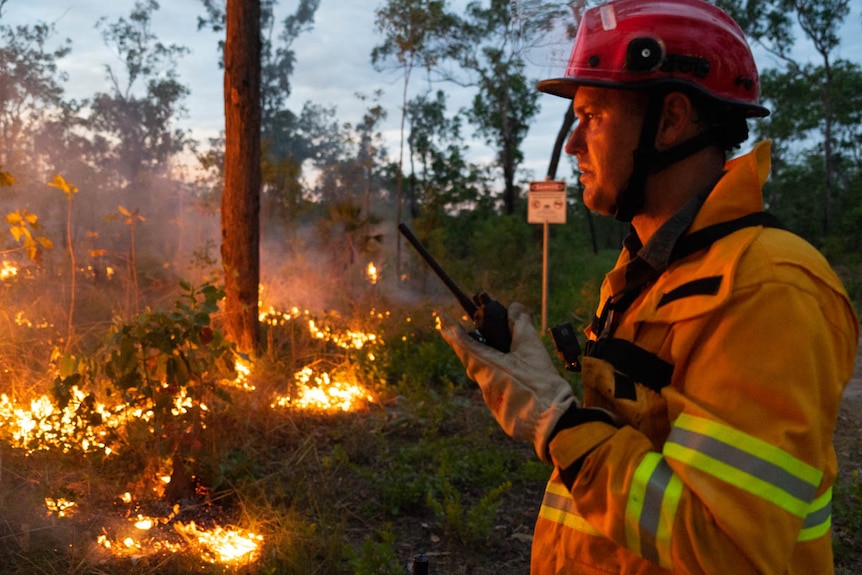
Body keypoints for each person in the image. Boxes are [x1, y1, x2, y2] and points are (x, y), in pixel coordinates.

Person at [438, 0, 860, 573]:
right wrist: (539, 378)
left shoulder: (769, 288)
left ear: (670, 120)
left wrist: (557, 421)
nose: (572, 144)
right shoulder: (656, 268)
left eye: (594, 116)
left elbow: (729, 549)